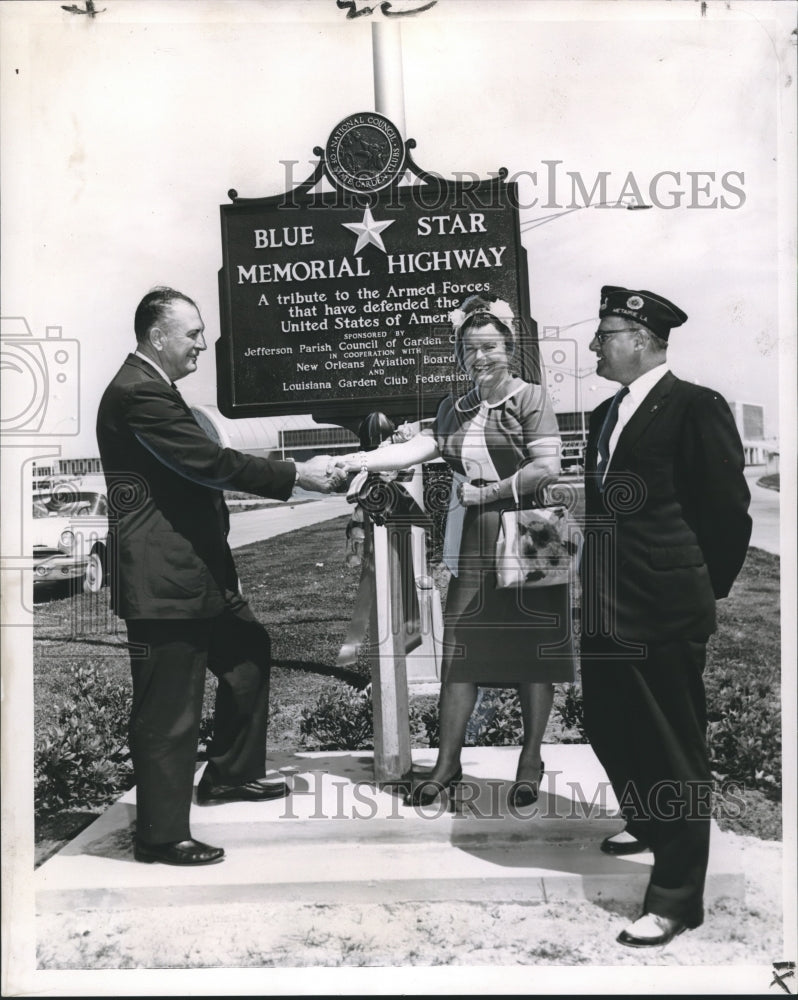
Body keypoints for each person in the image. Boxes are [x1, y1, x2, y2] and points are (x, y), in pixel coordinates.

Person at [96, 286, 344, 866]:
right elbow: (206, 463)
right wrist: (296, 475)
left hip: (199, 575)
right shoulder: (138, 394)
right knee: (169, 709)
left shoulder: (157, 389)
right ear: (158, 337)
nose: (203, 345)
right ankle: (159, 835)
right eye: (193, 335)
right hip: (166, 582)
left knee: (248, 654)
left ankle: (229, 775)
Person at [336, 294, 576, 807]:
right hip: (475, 537)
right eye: (470, 350)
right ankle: (448, 762)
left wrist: (487, 493)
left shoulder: (530, 398)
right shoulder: (455, 407)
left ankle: (530, 760)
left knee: (533, 655)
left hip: (533, 529)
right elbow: (413, 451)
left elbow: (546, 470)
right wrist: (353, 459)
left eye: (490, 347)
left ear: (510, 347)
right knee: (461, 652)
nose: (481, 358)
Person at [580, 285, 751, 946]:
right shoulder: (603, 415)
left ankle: (677, 897)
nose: (595, 345)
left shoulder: (694, 406)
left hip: (664, 609)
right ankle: (648, 821)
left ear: (641, 338)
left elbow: (726, 512)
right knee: (607, 725)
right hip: (606, 606)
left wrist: (699, 588)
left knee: (673, 752)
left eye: (605, 333)